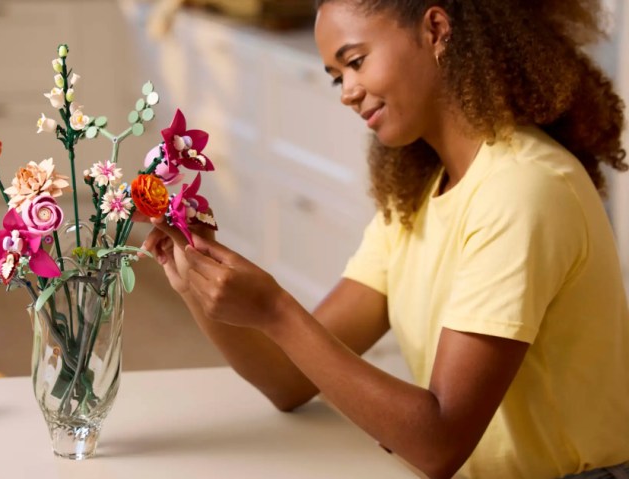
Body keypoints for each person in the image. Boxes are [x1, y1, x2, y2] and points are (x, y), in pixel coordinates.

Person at [140, 1, 629, 478]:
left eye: (355, 62)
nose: (347, 92)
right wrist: (194, 273)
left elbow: (438, 442)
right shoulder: (420, 196)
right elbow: (287, 379)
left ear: (436, 29)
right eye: (337, 75)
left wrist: (275, 309)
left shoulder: (523, 189)